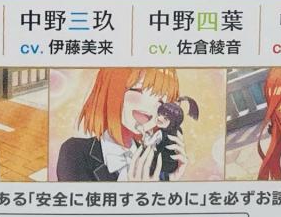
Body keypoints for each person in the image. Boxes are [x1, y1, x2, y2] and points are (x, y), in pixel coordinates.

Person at [55, 66, 186, 182]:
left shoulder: (153, 160)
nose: (150, 107)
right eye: (138, 90)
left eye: (161, 101)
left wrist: (169, 180)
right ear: (112, 90)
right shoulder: (75, 151)